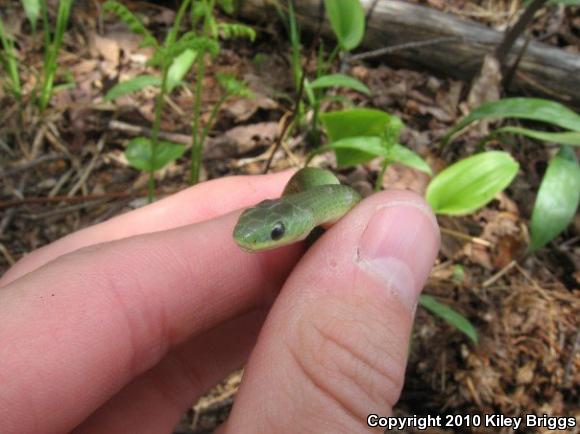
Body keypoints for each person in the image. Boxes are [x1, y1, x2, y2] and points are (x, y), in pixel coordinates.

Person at [0, 170, 439, 433]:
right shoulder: (310, 203)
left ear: (297, 220)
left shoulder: (329, 204)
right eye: (271, 229)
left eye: (274, 234)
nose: (258, 241)